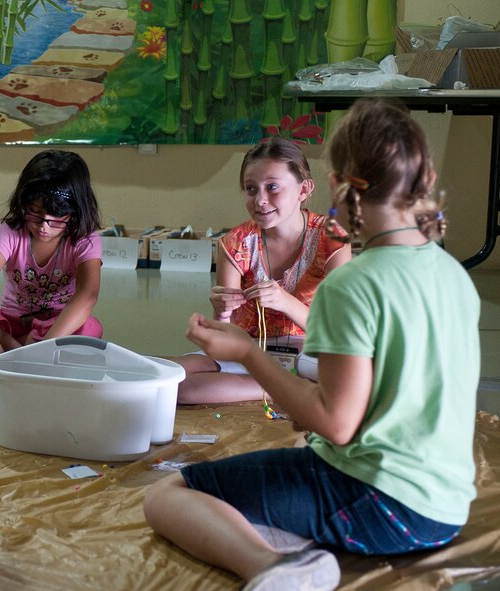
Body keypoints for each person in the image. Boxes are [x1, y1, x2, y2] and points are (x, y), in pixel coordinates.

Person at [144, 98, 479, 590]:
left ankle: (274, 567)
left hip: (385, 506)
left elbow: (337, 424)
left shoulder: (352, 282)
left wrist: (249, 355)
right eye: (251, 189)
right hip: (446, 505)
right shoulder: (452, 273)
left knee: (168, 496)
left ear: (336, 187)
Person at [173, 138, 350, 404]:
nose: (260, 200)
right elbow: (226, 336)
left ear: (304, 189)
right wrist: (222, 313)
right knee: (176, 383)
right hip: (252, 352)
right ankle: (283, 385)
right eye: (251, 189)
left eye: (273, 187)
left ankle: (281, 382)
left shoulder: (331, 238)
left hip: (311, 355)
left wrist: (285, 302)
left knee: (354, 378)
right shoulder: (235, 243)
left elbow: (338, 334)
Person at [0, 149, 103, 376]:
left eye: (57, 218)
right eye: (35, 213)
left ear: (76, 212)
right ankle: (13, 356)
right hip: (12, 325)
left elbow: (87, 296)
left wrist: (47, 345)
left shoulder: (84, 238)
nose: (44, 226)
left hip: (55, 327)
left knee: (90, 328)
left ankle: (0, 360)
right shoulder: (13, 230)